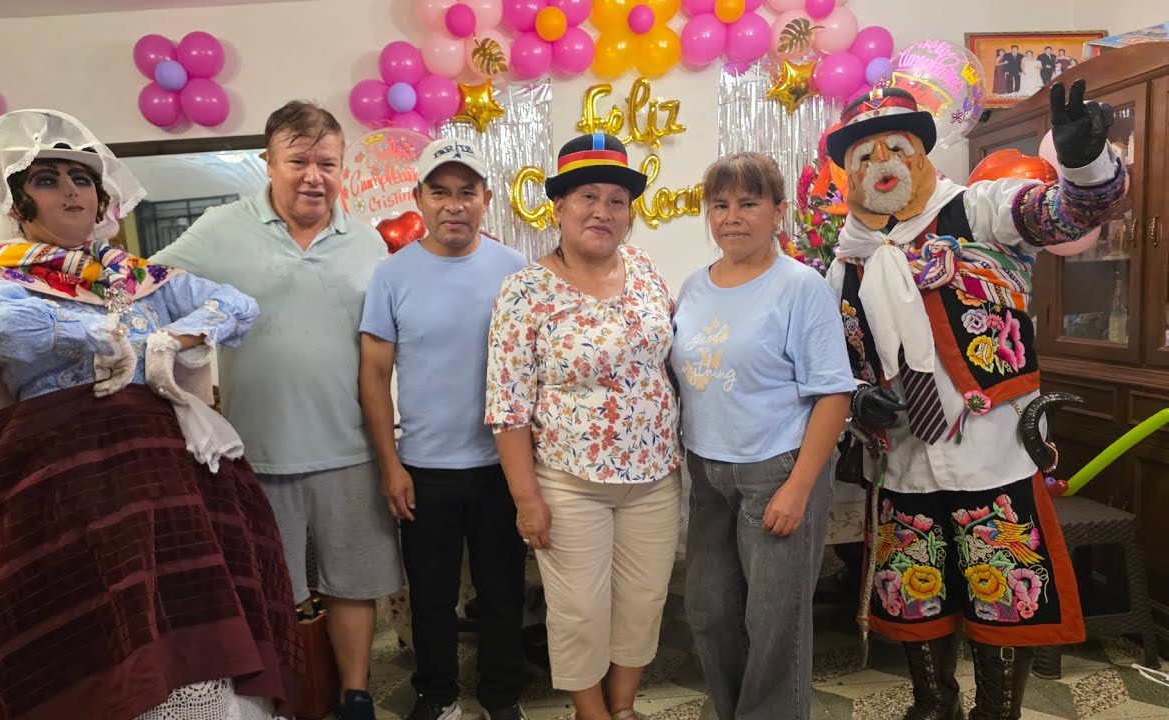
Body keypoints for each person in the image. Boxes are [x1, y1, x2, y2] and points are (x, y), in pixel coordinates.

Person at [0, 109, 299, 720]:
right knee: (96, 625)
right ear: (20, 203)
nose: (71, 190)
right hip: (65, 483)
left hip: (174, 478)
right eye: (48, 179)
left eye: (82, 178)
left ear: (101, 200)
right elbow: (11, 332)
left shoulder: (135, 275)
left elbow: (237, 305)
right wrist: (109, 333)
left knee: (198, 611)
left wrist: (181, 336)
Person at [825, 83, 1125, 719]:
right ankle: (933, 703)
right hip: (902, 457)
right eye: (863, 155)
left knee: (1004, 591)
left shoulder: (981, 209)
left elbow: (1066, 213)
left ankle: (996, 710)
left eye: (895, 147)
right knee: (916, 590)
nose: (881, 163)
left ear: (922, 153)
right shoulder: (843, 262)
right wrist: (858, 402)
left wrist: (1083, 163)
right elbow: (838, 362)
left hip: (994, 451)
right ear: (848, 173)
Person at [150, 100, 404, 720]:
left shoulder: (367, 241)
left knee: (353, 585)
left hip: (352, 447)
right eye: (298, 161)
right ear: (269, 162)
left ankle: (355, 695)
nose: (314, 175)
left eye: (328, 162)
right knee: (269, 592)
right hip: (256, 451)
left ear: (342, 168)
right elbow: (151, 285)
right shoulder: (220, 228)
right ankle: (282, 701)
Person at [485, 133, 681, 720]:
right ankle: (591, 714)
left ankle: (622, 707)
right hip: (570, 484)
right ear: (560, 207)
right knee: (579, 612)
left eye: (616, 200)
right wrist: (527, 499)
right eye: (586, 196)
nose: (602, 211)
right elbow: (508, 405)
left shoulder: (644, 269)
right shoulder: (525, 292)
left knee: (643, 602)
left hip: (653, 479)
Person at [673, 153, 855, 720]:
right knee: (709, 611)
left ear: (778, 211)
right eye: (720, 205)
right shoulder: (694, 286)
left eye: (748, 203)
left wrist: (799, 487)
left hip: (777, 468)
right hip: (706, 472)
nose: (732, 217)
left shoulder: (801, 287)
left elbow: (834, 393)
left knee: (774, 621)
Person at [359, 139, 529, 720]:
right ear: (419, 199)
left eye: (466, 193)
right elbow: (374, 374)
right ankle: (437, 696)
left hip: (501, 468)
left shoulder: (515, 271)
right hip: (424, 469)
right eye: (440, 192)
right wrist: (390, 464)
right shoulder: (391, 275)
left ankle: (502, 696)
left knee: (503, 593)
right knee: (431, 597)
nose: (453, 205)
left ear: (485, 199)